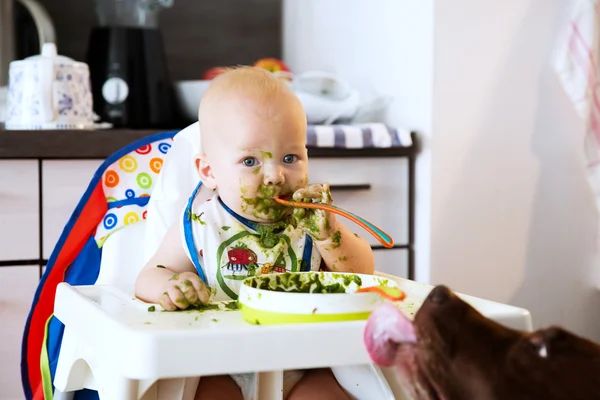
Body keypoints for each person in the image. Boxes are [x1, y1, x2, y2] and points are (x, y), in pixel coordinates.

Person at [135, 66, 375, 400]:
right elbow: (148, 276)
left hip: (303, 362)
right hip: (219, 364)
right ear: (209, 171)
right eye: (250, 161)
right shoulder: (202, 225)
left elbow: (362, 274)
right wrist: (172, 286)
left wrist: (329, 236)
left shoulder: (312, 222)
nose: (276, 175)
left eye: (290, 157)